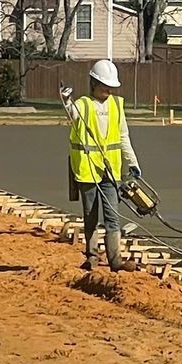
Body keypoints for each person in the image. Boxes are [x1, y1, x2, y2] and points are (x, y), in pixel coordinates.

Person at [61, 59, 138, 272]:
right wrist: (66, 100)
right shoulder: (83, 104)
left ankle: (115, 260)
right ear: (94, 83)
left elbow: (123, 136)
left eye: (111, 86)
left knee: (113, 216)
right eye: (105, 86)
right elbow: (71, 114)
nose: (109, 90)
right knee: (91, 215)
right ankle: (92, 256)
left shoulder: (116, 105)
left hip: (110, 171)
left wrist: (132, 162)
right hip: (88, 170)